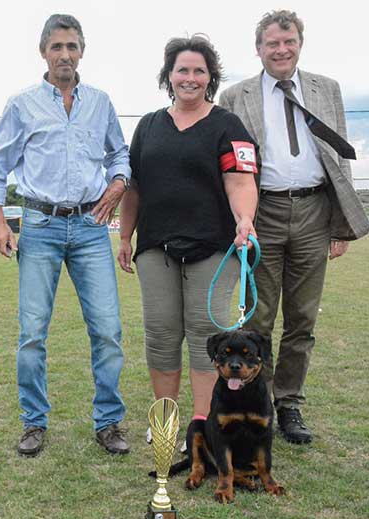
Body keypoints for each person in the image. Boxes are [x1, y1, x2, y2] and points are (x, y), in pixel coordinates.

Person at [0, 14, 131, 456]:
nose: (64, 54)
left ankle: (108, 422)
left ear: (82, 51)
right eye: (56, 47)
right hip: (40, 227)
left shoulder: (100, 102)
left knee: (107, 330)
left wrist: (119, 182)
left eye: (72, 46)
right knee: (32, 334)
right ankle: (34, 422)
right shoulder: (22, 104)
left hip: (90, 227)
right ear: (43, 52)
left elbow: (119, 152)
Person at [218, 10, 369, 444]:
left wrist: (339, 225)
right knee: (257, 319)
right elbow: (227, 162)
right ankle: (255, 402)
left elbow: (338, 156)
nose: (281, 50)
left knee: (302, 319)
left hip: (313, 211)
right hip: (260, 211)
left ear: (299, 43)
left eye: (288, 42)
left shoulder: (327, 89)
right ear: (258, 48)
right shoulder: (236, 95)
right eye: (272, 43)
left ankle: (290, 405)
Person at [118, 35, 259, 432]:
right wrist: (126, 237)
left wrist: (245, 219)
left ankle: (201, 420)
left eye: (200, 70)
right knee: (161, 332)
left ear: (210, 77)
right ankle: (165, 419)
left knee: (205, 334)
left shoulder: (228, 125)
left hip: (214, 248)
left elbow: (241, 182)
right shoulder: (148, 126)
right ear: (169, 75)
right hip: (155, 248)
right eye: (183, 69)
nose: (191, 78)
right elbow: (134, 188)